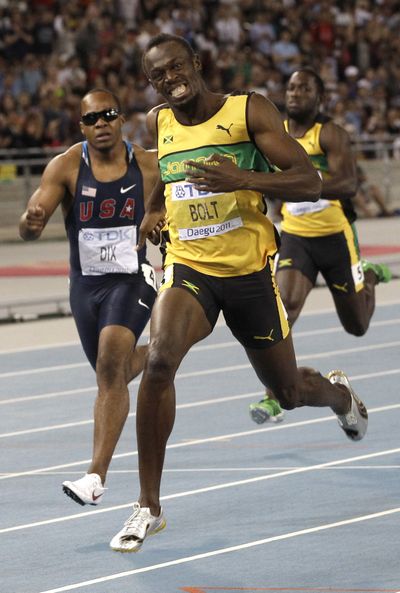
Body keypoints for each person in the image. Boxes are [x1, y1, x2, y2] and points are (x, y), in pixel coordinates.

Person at [109, 34, 368, 554]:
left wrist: (241, 178)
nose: (169, 79)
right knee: (158, 362)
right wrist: (155, 211)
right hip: (189, 269)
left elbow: (309, 181)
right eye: (158, 75)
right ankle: (147, 506)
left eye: (176, 67)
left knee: (288, 394)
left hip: (249, 273)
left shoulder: (247, 111)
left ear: (197, 64)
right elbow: (167, 175)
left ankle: (338, 395)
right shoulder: (160, 121)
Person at [19, 88, 162, 506]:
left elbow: (172, 208)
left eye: (108, 115)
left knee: (109, 363)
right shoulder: (65, 167)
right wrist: (33, 221)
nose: (100, 123)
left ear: (121, 120)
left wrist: (162, 224)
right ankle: (164, 349)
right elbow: (30, 225)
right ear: (80, 126)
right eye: (91, 118)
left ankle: (95, 475)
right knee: (110, 376)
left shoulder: (149, 166)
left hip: (132, 279)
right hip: (85, 287)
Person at [249, 68, 392, 424]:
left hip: (336, 238)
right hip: (297, 237)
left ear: (320, 98)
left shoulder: (329, 134)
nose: (295, 93)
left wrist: (300, 183)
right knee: (285, 309)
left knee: (356, 325)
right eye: (292, 87)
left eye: (304, 88)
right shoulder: (276, 134)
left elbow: (346, 184)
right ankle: (275, 392)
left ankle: (370, 277)